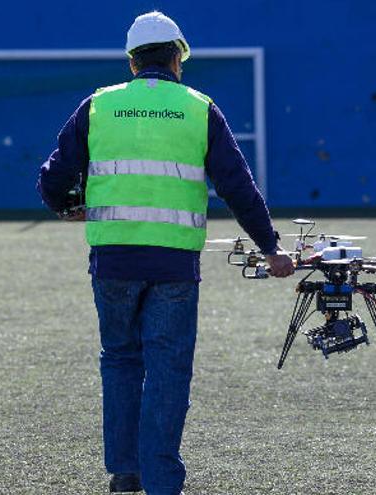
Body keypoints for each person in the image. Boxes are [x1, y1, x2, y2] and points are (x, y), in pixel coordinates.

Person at [37, 11, 294, 495]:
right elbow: (238, 187)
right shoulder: (199, 108)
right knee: (168, 367)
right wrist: (271, 247)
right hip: (175, 264)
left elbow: (53, 175)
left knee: (119, 359)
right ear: (177, 57)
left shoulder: (98, 105)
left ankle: (124, 471)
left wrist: (68, 206)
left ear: (133, 61)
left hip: (112, 261)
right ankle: (161, 480)